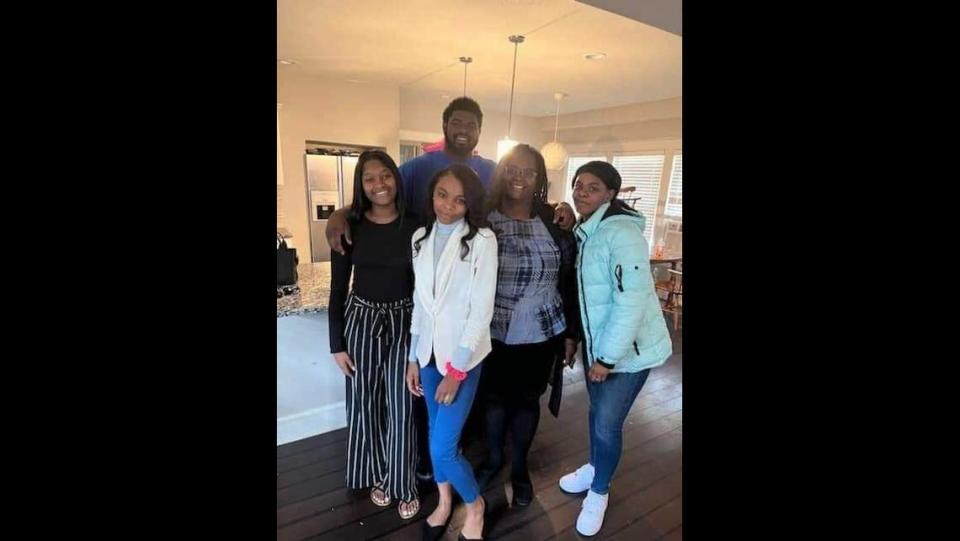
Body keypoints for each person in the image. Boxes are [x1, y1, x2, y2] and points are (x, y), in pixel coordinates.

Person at [325, 96, 576, 482]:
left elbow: (527, 199)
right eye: (456, 123)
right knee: (426, 400)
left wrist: (563, 207)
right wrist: (341, 213)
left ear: (480, 131)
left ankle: (471, 460)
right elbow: (378, 192)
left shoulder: (494, 176)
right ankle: (432, 461)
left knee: (494, 400)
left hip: (500, 325)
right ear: (444, 126)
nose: (463, 130)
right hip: (436, 317)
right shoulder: (416, 171)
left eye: (471, 125)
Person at [558, 161, 673, 536]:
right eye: (578, 185)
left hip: (628, 353)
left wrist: (606, 358)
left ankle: (600, 490)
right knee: (597, 414)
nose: (581, 192)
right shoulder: (588, 230)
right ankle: (595, 467)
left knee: (607, 424)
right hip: (600, 347)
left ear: (610, 194)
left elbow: (632, 299)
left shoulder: (621, 232)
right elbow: (585, 294)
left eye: (592, 187)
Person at [472, 144, 580, 507]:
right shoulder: (482, 216)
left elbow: (570, 277)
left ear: (539, 179)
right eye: (512, 168)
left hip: (542, 327)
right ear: (501, 172)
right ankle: (493, 460)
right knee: (493, 400)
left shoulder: (553, 218)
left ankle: (519, 469)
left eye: (529, 171)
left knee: (526, 401)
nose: (519, 176)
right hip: (492, 329)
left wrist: (571, 334)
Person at [405, 165, 497, 541]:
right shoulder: (420, 237)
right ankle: (444, 503)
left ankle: (474, 505)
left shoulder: (482, 240)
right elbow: (419, 303)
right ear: (432, 193)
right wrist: (412, 356)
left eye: (460, 200)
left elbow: (481, 312)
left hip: (460, 360)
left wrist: (455, 371)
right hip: (426, 354)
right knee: (433, 433)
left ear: (470, 204)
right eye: (442, 194)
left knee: (443, 448)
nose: (448, 205)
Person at [327, 150, 421, 520]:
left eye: (385, 175)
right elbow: (338, 289)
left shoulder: (417, 224)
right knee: (366, 406)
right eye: (370, 178)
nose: (379, 184)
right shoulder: (348, 227)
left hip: (405, 320)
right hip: (361, 321)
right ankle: (380, 477)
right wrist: (337, 344)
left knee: (401, 408)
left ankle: (404, 483)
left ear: (396, 178)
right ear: (360, 184)